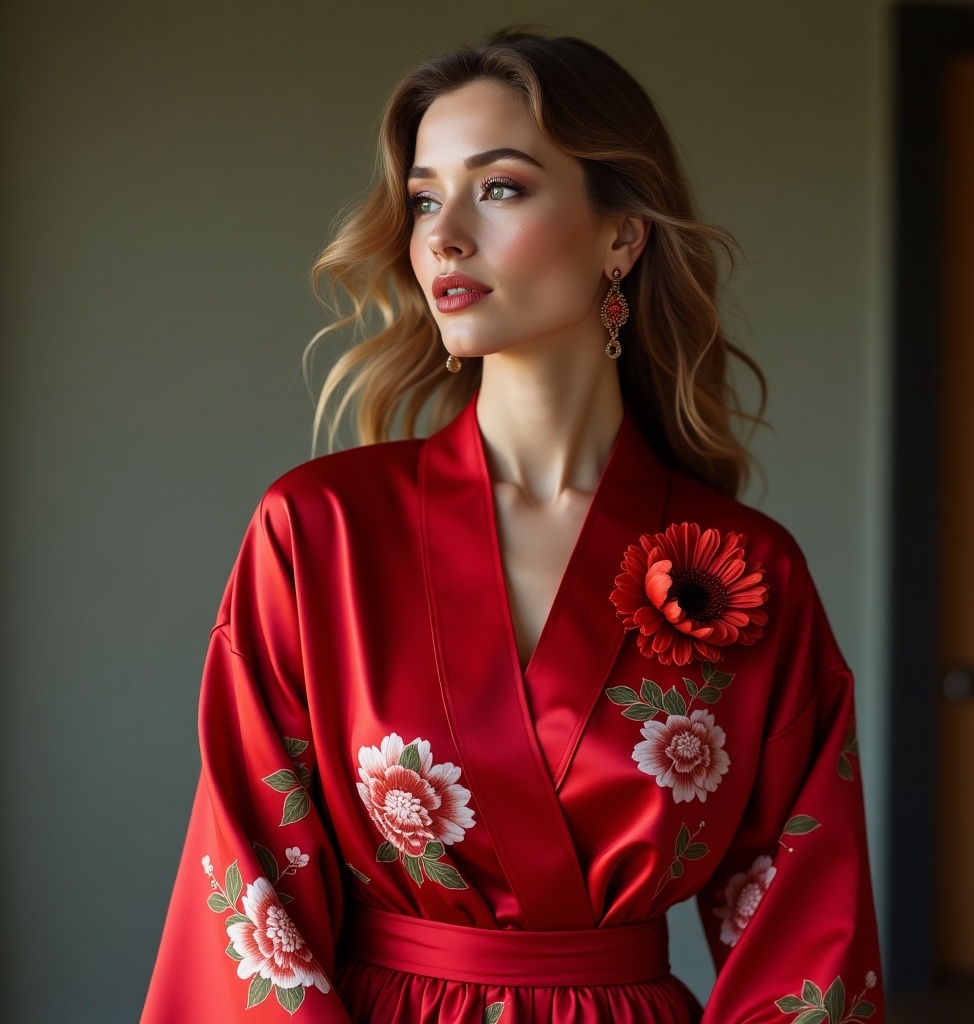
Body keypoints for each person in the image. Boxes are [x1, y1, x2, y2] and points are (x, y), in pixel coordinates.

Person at [141, 29, 884, 1024]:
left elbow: (808, 934)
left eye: (499, 188)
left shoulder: (746, 572)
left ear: (621, 235)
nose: (443, 235)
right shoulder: (318, 532)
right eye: (422, 198)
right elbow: (248, 891)